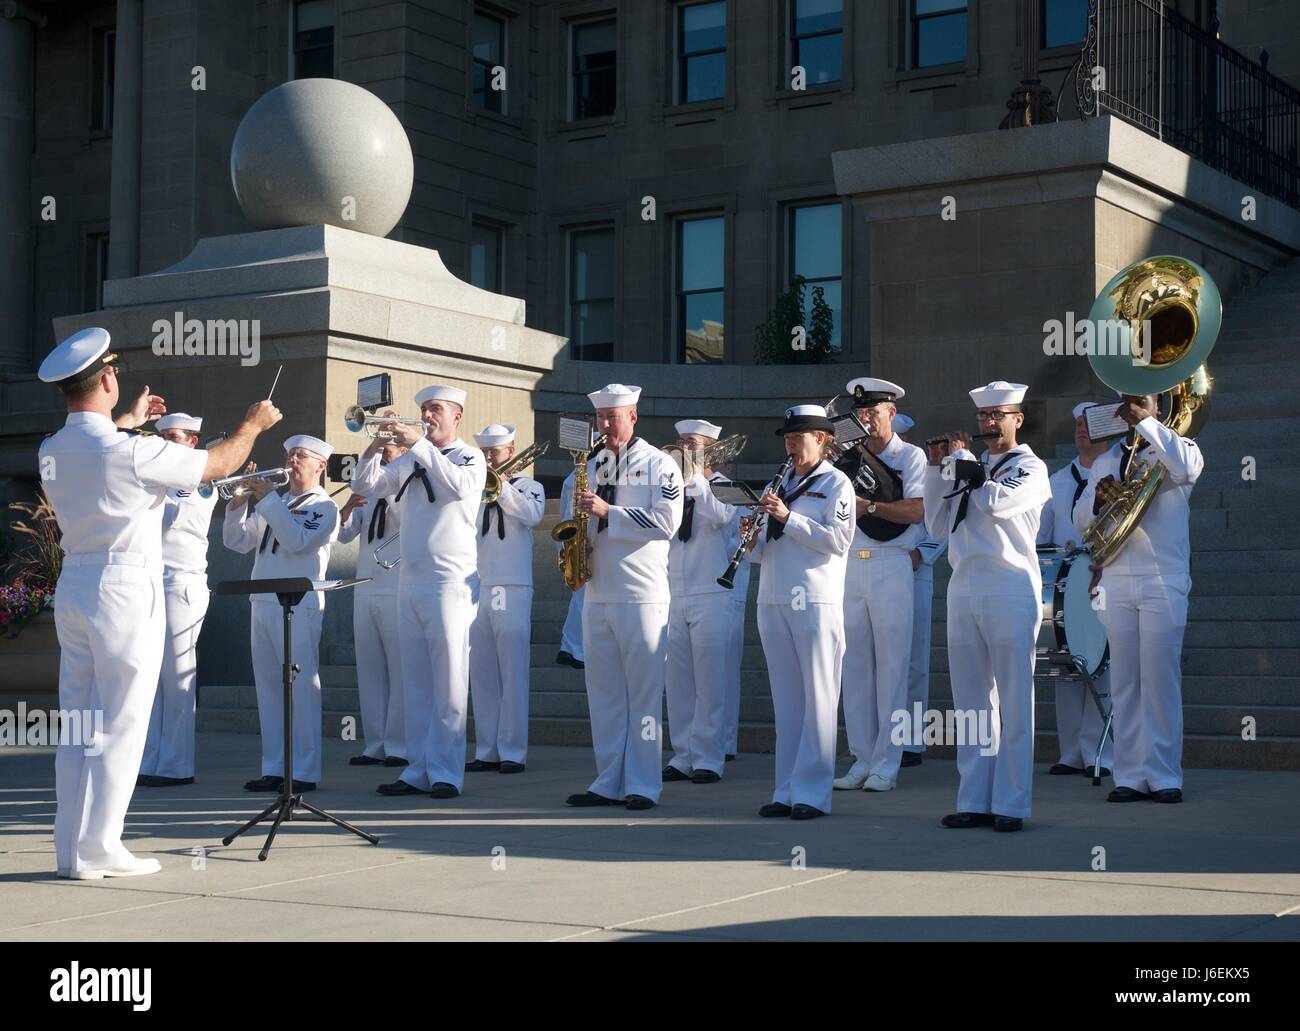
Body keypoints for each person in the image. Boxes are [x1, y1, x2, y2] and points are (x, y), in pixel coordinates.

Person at [38, 326, 280, 878]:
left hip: (75, 585)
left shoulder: (51, 448)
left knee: (78, 723)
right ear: (106, 379)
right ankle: (102, 845)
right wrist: (252, 424)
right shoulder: (133, 451)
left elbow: (99, 447)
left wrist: (126, 420)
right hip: (126, 587)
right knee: (123, 722)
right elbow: (218, 464)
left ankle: (70, 847)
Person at [923, 381, 1050, 832]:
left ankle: (1012, 803)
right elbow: (936, 525)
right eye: (983, 416)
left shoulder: (1031, 467)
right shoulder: (966, 465)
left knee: (1014, 699)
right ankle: (975, 797)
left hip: (1010, 585)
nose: (989, 424)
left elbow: (997, 503)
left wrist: (962, 463)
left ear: (1018, 418)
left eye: (999, 415)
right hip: (964, 585)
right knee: (972, 701)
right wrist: (936, 469)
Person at [352, 385, 485, 799]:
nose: (427, 415)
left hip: (450, 582)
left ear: (457, 416)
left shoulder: (469, 456)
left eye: (436, 409)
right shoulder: (410, 458)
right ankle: (416, 768)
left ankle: (446, 772)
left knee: (448, 682)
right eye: (424, 408)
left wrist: (420, 445)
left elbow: (458, 489)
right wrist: (377, 441)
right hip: (409, 580)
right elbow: (367, 484)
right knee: (416, 683)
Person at [1074, 392, 1202, 804]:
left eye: (1141, 400)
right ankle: (1127, 774)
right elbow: (1080, 521)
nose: (1132, 406)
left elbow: (1184, 469)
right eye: (1127, 401)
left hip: (1162, 577)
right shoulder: (1109, 459)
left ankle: (1165, 775)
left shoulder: (1179, 446)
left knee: (1160, 679)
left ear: (1158, 407)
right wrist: (1096, 501)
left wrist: (1148, 424)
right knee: (1125, 680)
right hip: (1117, 577)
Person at [564, 384, 683, 812]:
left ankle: (643, 784)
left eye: (613, 417)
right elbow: (579, 517)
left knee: (643, 696)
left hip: (641, 594)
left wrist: (607, 513)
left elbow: (667, 522)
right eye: (601, 418)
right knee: (605, 694)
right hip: (598, 591)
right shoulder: (592, 463)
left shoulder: (660, 464)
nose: (606, 426)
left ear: (633, 416)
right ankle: (607, 780)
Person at [746, 405, 854, 820]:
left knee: (819, 700)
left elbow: (839, 540)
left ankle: (812, 793)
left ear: (822, 440)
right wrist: (750, 536)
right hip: (773, 597)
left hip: (814, 600)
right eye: (788, 437)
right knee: (787, 702)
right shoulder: (782, 481)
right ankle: (785, 788)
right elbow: (765, 551)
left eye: (799, 436)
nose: (791, 444)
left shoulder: (835, 483)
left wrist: (788, 517)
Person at [223, 435, 340, 793]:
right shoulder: (276, 502)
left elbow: (296, 541)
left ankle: (305, 770)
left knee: (302, 688)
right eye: (289, 454)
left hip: (299, 605)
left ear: (320, 465)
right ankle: (274, 766)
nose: (291, 461)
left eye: (300, 456)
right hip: (262, 601)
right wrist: (240, 500)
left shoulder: (324, 508)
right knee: (269, 689)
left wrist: (267, 499)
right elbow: (236, 541)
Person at [832, 378, 926, 794]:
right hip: (851, 562)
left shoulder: (911, 456)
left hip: (892, 562)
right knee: (854, 667)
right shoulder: (846, 456)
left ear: (891, 412)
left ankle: (888, 762)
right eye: (861, 414)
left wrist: (869, 505)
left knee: (891, 668)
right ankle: (861, 757)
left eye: (874, 412)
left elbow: (916, 511)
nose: (868, 420)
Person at [137, 413, 218, 787]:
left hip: (181, 584)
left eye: (174, 436)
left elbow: (167, 519)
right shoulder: (156, 481)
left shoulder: (197, 481)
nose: (167, 443)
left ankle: (176, 764)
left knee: (177, 675)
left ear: (191, 442)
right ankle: (149, 759)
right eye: (163, 436)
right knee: (150, 677)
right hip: (152, 580)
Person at [1038, 402, 1114, 778]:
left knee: (1103, 665)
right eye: (1078, 423)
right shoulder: (1057, 481)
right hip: (1067, 580)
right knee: (1067, 664)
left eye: (1089, 423)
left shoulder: (1121, 470)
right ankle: (1070, 752)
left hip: (1108, 576)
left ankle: (1101, 753)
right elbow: (1040, 536)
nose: (1081, 429)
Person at [467, 424, 545, 774]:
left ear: (511, 452)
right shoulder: (474, 490)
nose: (487, 458)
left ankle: (513, 751)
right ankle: (487, 749)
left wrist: (500, 489)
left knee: (512, 672)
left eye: (493, 453)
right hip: (477, 585)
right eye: (484, 453)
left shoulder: (530, 487)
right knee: (481, 672)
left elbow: (532, 516)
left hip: (511, 585)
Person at [664, 419, 737, 784]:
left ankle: (709, 757)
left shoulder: (725, 486)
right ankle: (682, 754)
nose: (684, 448)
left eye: (691, 443)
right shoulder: (671, 487)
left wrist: (695, 479)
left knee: (709, 681)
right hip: (674, 591)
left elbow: (721, 517)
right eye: (681, 442)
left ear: (711, 449)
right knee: (678, 682)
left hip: (711, 592)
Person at [336, 439, 407, 768]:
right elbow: (345, 535)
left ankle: (398, 745)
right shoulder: (370, 490)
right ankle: (374, 743)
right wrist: (348, 509)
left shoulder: (408, 484)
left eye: (392, 446)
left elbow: (408, 521)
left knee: (399, 668)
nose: (386, 450)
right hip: (364, 585)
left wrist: (388, 488)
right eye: (383, 446)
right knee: (370, 669)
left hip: (396, 586)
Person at [893, 412, 945, 768]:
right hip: (876, 567)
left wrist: (920, 555)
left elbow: (940, 526)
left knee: (913, 660)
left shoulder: (922, 474)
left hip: (913, 570)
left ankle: (910, 740)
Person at [555, 468, 586, 669]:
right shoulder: (573, 477)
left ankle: (573, 648)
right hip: (578, 539)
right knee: (581, 596)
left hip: (593, 540)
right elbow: (565, 513)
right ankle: (572, 648)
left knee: (582, 598)